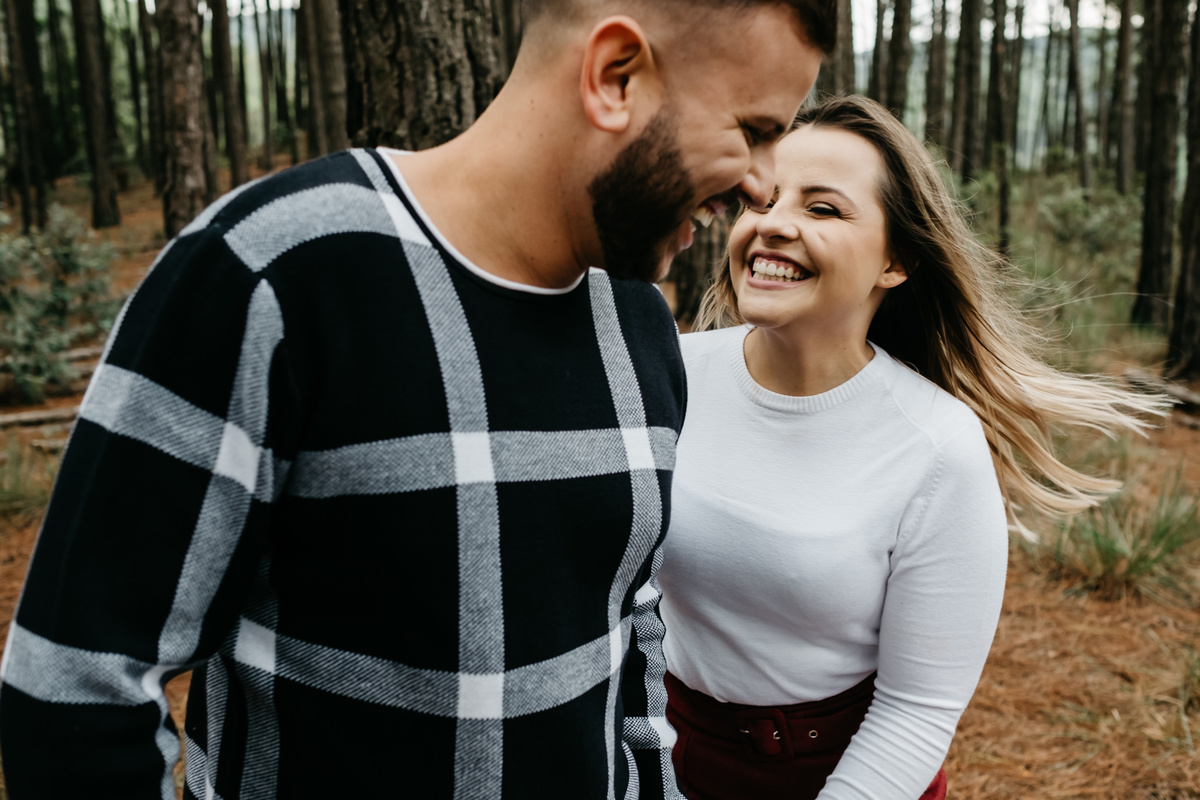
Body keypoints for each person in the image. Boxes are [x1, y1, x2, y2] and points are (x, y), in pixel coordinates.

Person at [0, 3, 833, 798]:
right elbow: (77, 686)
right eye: (755, 132)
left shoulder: (642, 326)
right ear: (615, 75)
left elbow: (633, 625)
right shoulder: (274, 273)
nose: (764, 189)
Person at [657, 95, 1166, 800]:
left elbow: (916, 711)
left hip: (848, 774)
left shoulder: (937, 446)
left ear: (894, 261)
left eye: (823, 209)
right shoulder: (670, 373)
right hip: (668, 754)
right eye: (762, 200)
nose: (772, 225)